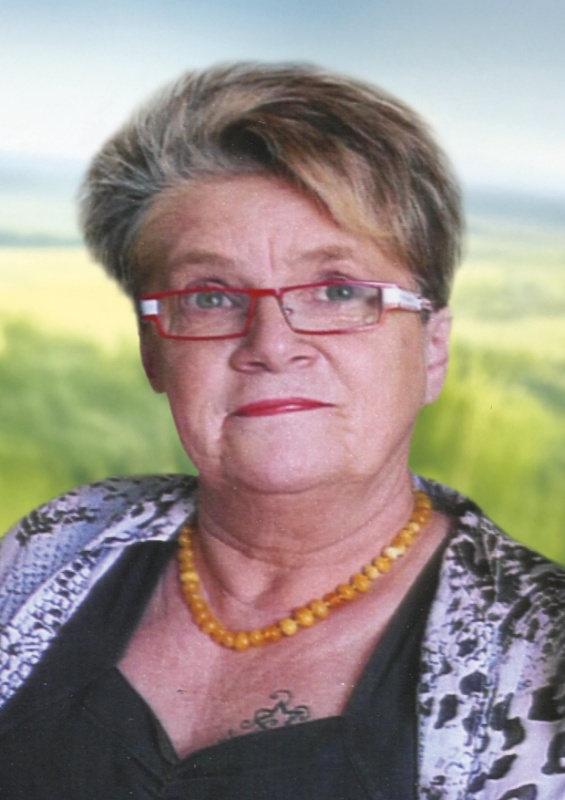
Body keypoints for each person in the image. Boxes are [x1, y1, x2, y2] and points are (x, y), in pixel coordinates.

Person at [0, 63, 564, 800]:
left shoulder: (540, 652)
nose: (271, 343)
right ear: (154, 352)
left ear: (432, 350)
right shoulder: (58, 543)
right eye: (210, 297)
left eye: (338, 290)